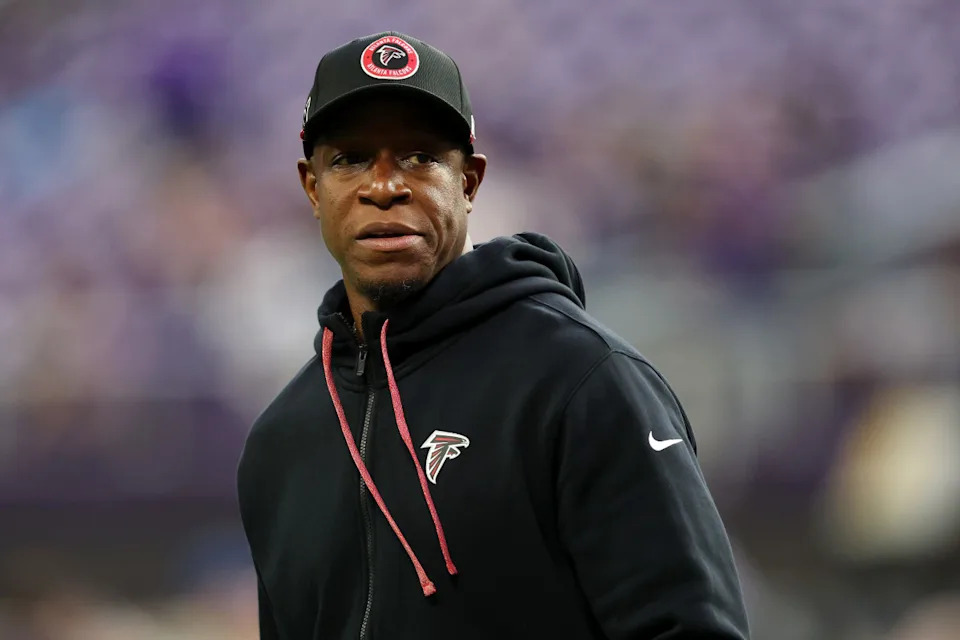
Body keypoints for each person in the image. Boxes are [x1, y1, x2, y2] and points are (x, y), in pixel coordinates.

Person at [237, 31, 750, 640]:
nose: (383, 186)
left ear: (471, 182)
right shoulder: (281, 443)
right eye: (349, 159)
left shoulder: (581, 378)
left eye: (419, 157)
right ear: (311, 187)